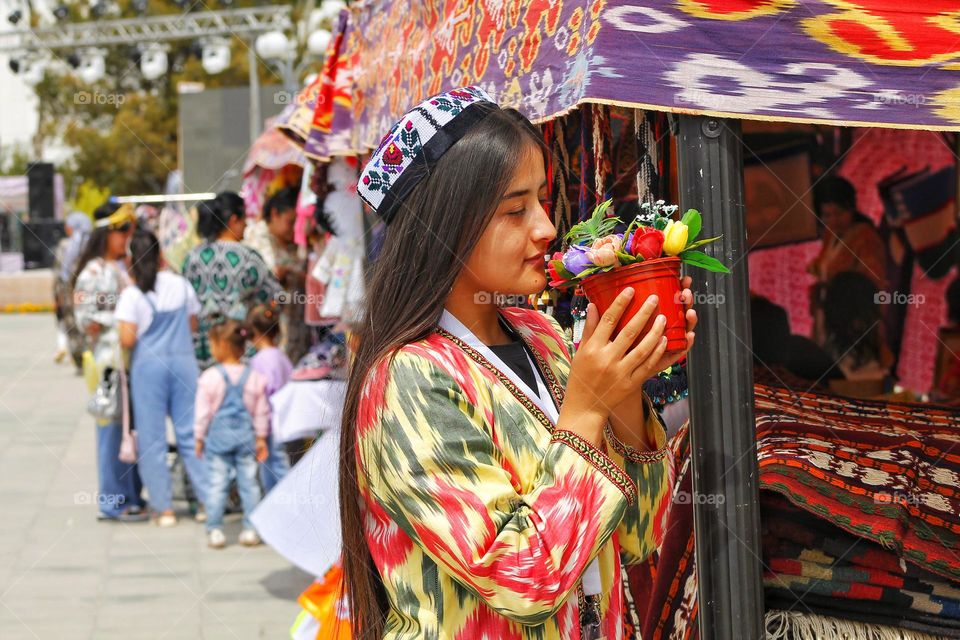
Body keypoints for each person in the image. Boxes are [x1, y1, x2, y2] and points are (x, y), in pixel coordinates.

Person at [339, 87, 696, 638]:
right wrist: (585, 410)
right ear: (445, 226)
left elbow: (641, 533)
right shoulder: (405, 381)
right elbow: (521, 582)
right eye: (514, 210)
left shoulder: (542, 334)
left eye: (542, 199)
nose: (547, 228)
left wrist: (627, 383)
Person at [116, 229, 206, 527]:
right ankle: (208, 501)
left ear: (131, 258)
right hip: (184, 365)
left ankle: (164, 507)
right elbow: (193, 325)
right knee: (192, 435)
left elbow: (127, 340)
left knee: (152, 438)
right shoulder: (181, 285)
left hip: (148, 369)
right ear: (160, 255)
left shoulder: (132, 294)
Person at [73, 203, 146, 522]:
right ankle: (112, 501)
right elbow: (84, 318)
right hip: (108, 363)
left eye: (128, 230)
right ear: (106, 232)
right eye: (121, 230)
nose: (126, 236)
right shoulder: (93, 272)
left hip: (130, 360)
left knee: (129, 431)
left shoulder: (125, 267)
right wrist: (122, 320)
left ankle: (131, 494)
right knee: (111, 433)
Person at [182, 192, 282, 369]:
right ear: (234, 220)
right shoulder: (248, 257)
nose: (246, 225)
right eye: (244, 220)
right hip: (242, 351)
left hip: (203, 352)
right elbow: (278, 298)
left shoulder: (192, 258)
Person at [194, 317, 269, 549]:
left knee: (217, 484)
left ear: (223, 346)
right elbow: (261, 411)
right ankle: (251, 529)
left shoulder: (209, 377)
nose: (212, 349)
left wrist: (198, 437)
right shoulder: (254, 377)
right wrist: (261, 438)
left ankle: (215, 529)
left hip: (218, 441)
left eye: (213, 345)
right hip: (246, 439)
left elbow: (202, 413)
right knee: (250, 484)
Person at [246, 187, 309, 363]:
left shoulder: (294, 242)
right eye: (290, 222)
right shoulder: (256, 236)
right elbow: (271, 274)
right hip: (270, 335)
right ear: (274, 214)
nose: (295, 229)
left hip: (296, 334)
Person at [247, 304, 292, 492]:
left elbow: (259, 395)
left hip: (268, 421)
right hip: (284, 418)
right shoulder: (282, 357)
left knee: (273, 465)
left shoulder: (258, 361)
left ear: (254, 332)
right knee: (279, 462)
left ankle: (283, 503)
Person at [53, 211, 92, 368]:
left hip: (70, 294)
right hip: (87, 294)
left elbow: (60, 274)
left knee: (72, 324)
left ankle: (79, 358)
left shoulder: (65, 246)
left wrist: (58, 296)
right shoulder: (93, 245)